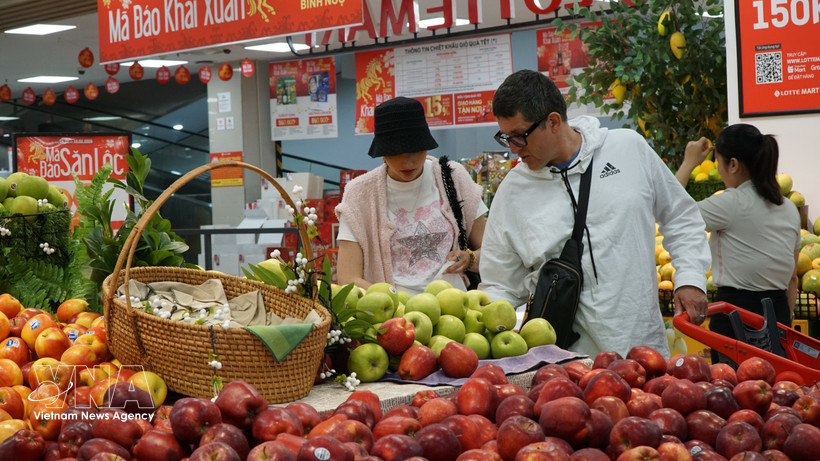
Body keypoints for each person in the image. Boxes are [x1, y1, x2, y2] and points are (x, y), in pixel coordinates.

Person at [479, 69, 711, 358]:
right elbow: (500, 282)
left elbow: (681, 216)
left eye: (519, 137)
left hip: (642, 350)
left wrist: (690, 278)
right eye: (506, 138)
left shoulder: (628, 149)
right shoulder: (513, 191)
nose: (514, 150)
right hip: (566, 365)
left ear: (552, 122)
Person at [675, 124, 801, 364]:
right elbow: (792, 277)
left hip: (736, 316)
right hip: (778, 312)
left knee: (736, 391)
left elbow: (671, 210)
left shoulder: (731, 203)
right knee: (776, 391)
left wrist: (688, 163)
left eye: (719, 162)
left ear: (733, 164)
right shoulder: (788, 207)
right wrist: (784, 322)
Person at [335, 97, 487, 294]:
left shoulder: (453, 178)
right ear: (382, 153)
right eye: (395, 152)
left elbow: (492, 252)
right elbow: (348, 278)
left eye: (415, 150)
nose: (407, 162)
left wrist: (470, 259)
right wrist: (393, 302)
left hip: (453, 308)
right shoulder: (360, 194)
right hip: (391, 313)